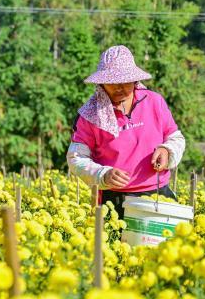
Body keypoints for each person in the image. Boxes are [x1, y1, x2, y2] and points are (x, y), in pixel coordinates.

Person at [67, 45, 186, 218]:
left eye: (125, 81)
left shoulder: (154, 101)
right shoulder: (90, 115)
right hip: (114, 199)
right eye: (112, 83)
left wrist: (167, 151)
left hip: (158, 194)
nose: (119, 88)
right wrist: (103, 174)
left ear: (135, 79)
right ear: (101, 83)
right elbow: (76, 159)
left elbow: (176, 137)